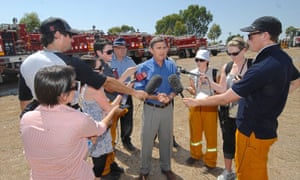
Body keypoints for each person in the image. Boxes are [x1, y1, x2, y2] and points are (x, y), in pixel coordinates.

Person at [182, 16, 300, 180]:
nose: (248, 39)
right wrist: (272, 96)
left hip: (252, 131)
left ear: (265, 36)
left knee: (248, 174)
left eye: (251, 35)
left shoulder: (262, 66)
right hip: (264, 127)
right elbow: (296, 80)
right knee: (258, 171)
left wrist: (196, 101)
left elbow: (226, 98)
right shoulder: (282, 57)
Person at [18, 17, 147, 113]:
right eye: (69, 35)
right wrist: (134, 92)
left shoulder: (27, 62)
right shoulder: (69, 63)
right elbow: (107, 83)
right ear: (57, 34)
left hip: (41, 120)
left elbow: (25, 101)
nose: (72, 39)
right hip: (67, 119)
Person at [20, 65, 119, 179]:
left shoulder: (26, 118)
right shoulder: (78, 119)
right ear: (63, 95)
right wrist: (112, 111)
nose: (76, 89)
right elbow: (101, 128)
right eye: (74, 86)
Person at [93, 39, 137, 178]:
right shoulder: (99, 67)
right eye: (110, 51)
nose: (112, 53)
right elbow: (111, 86)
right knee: (106, 139)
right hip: (107, 106)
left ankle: (110, 163)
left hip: (114, 103)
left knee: (110, 138)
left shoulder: (106, 64)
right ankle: (106, 171)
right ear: (98, 53)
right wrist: (126, 87)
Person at [134, 36, 177, 180]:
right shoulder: (143, 67)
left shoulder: (172, 65)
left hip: (167, 108)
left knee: (166, 140)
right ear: (151, 50)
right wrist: (155, 97)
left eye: (164, 47)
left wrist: (169, 97)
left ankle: (166, 168)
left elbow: (176, 87)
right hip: (151, 108)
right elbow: (139, 92)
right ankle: (144, 171)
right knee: (147, 140)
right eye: (158, 48)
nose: (162, 51)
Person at [216, 37, 251, 180]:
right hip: (227, 112)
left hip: (246, 113)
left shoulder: (254, 66)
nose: (232, 57)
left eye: (235, 53)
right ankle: (228, 171)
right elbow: (222, 89)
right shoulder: (227, 66)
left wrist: (244, 84)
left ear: (244, 50)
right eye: (229, 53)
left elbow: (260, 89)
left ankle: (243, 173)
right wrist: (209, 82)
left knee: (245, 144)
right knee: (228, 141)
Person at [184, 49, 219, 170]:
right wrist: (192, 89)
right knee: (195, 132)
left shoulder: (215, 73)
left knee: (210, 134)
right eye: (196, 60)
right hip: (195, 105)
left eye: (201, 60)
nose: (198, 62)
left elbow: (219, 92)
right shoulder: (192, 73)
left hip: (210, 107)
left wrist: (208, 84)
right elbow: (195, 91)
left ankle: (210, 161)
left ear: (207, 61)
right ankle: (195, 154)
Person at [111, 38, 137, 152]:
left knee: (127, 118)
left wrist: (133, 82)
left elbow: (137, 73)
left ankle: (126, 140)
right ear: (114, 49)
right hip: (112, 94)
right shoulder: (109, 60)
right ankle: (110, 143)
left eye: (124, 48)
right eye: (119, 48)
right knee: (111, 119)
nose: (122, 51)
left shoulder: (129, 61)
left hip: (126, 93)